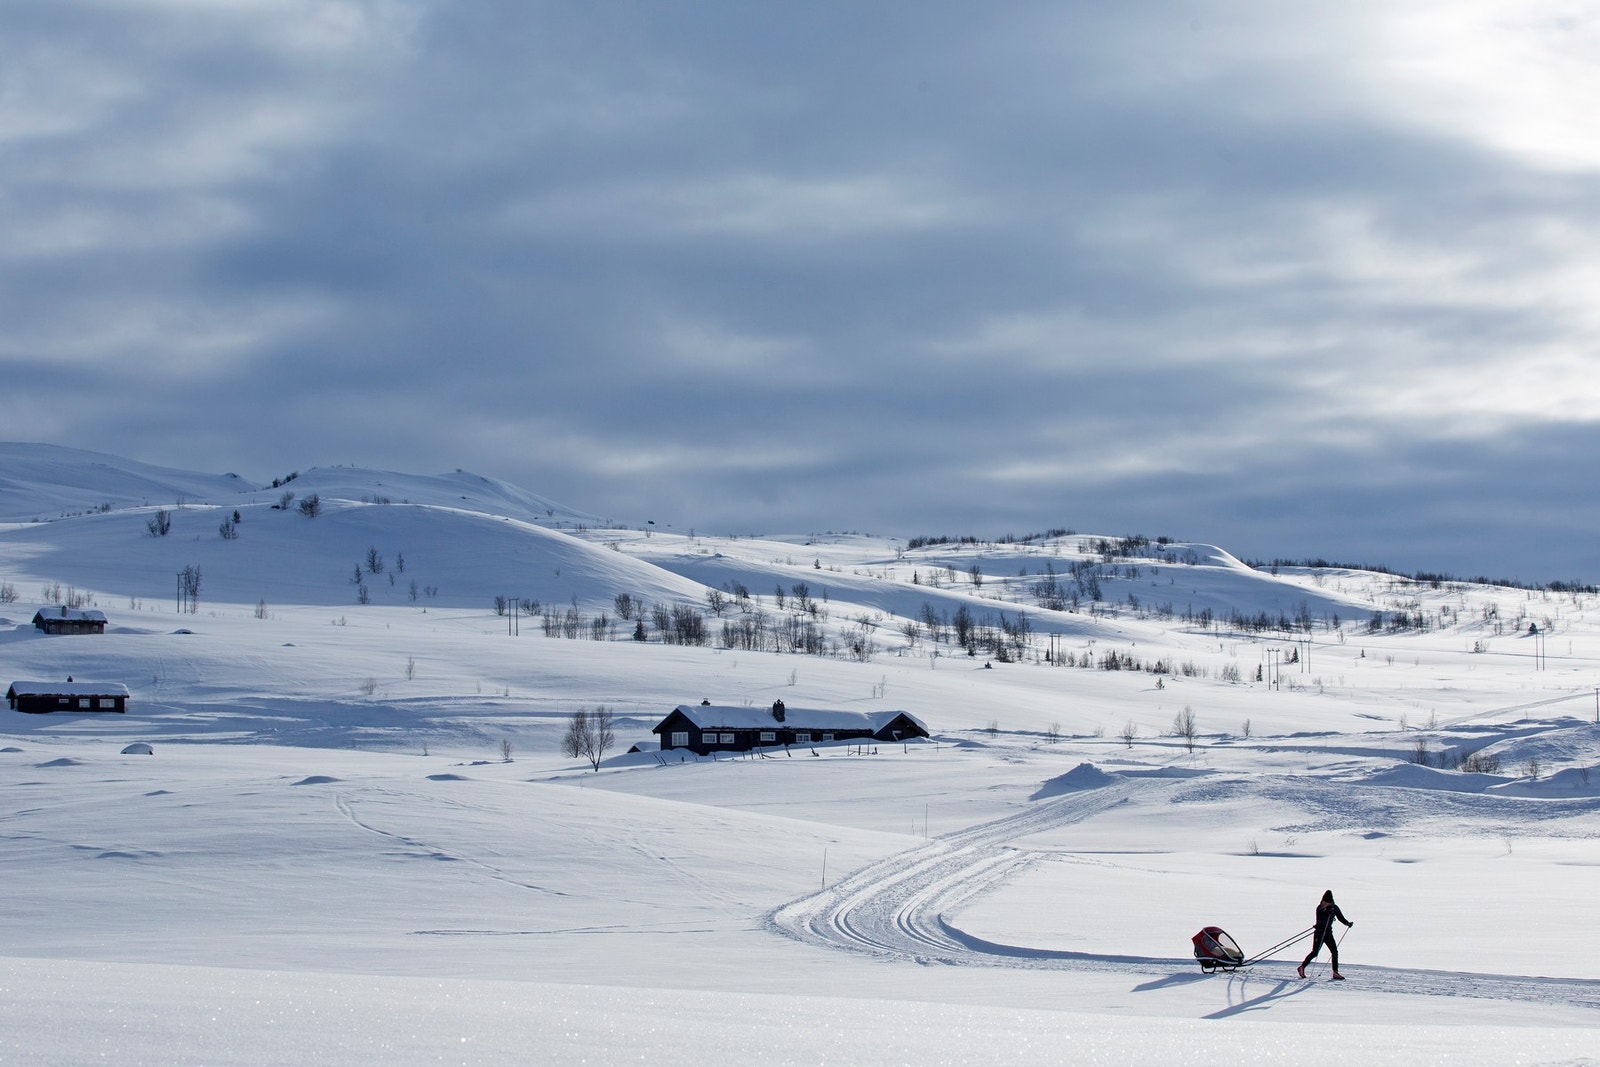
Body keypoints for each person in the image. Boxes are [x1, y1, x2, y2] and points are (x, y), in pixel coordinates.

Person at [1298, 889, 1353, 979]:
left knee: (1334, 951)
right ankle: (1302, 967)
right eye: (1326, 902)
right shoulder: (1319, 908)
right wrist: (1327, 912)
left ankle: (1335, 972)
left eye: (1329, 902)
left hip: (1328, 934)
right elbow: (1321, 920)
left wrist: (1347, 923)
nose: (1327, 904)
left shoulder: (1334, 908)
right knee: (1315, 952)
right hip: (1319, 934)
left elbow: (1340, 918)